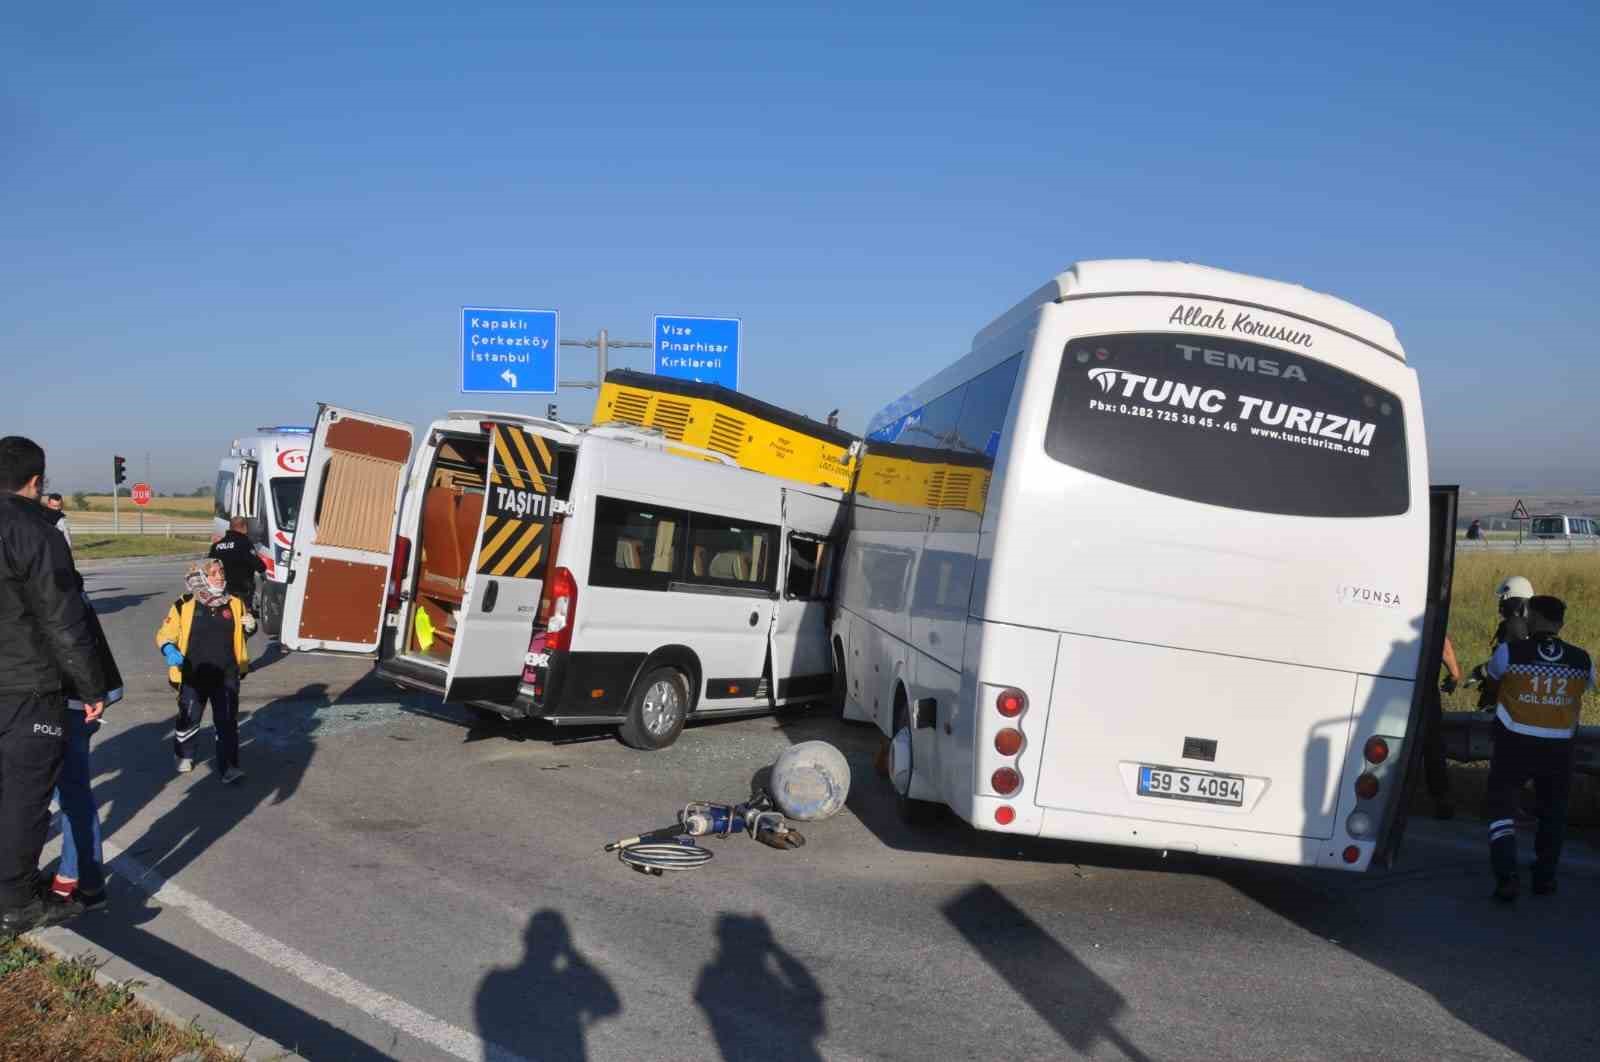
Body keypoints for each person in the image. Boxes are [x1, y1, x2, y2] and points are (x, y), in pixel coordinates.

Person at [0, 436, 107, 934]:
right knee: (25, 797)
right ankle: (17, 902)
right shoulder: (37, 532)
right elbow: (64, 621)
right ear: (37, 481)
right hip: (27, 686)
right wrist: (90, 689)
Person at [1482, 595, 1594, 901]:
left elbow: (1492, 685)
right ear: (1561, 623)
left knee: (1502, 808)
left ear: (1530, 618)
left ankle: (1507, 877)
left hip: (1514, 743)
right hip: (1559, 747)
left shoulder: (1509, 651)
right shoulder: (1583, 659)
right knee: (1553, 813)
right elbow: (1583, 689)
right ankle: (1545, 878)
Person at [156, 559, 251, 782]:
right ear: (200, 577)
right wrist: (169, 648)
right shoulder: (184, 604)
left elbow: (240, 636)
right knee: (189, 718)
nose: (220, 576)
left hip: (226, 674)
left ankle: (229, 767)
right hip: (192, 675)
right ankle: (184, 755)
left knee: (227, 721)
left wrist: (250, 628)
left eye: (222, 571)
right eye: (214, 573)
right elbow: (165, 633)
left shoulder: (235, 603)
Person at [1421, 634, 1462, 819]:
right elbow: (1443, 645)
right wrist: (1454, 674)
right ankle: (1441, 798)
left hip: (1389, 687)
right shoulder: (1426, 613)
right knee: (1432, 746)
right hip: (1424, 691)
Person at [207, 516, 264, 624]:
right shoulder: (244, 542)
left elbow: (209, 566)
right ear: (244, 527)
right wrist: (263, 570)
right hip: (241, 589)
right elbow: (257, 564)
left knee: (222, 618)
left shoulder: (217, 546)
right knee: (243, 621)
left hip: (221, 589)